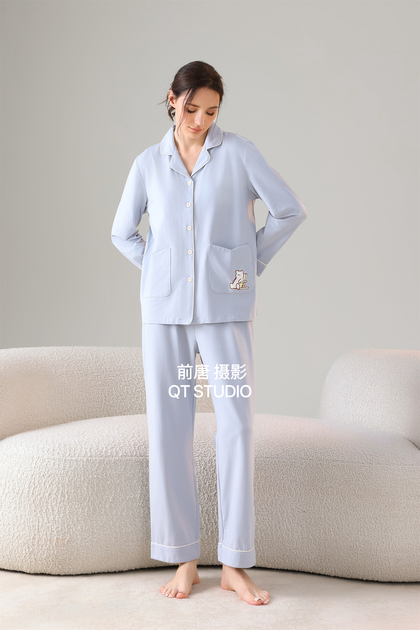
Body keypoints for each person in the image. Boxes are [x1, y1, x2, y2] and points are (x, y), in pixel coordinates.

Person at [111, 60, 307, 605]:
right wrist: (161, 271)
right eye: (192, 108)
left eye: (212, 111)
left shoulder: (239, 153)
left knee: (236, 427)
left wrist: (246, 266)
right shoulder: (148, 164)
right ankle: (184, 560)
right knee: (169, 430)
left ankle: (235, 565)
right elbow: (123, 232)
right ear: (172, 100)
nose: (200, 121)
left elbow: (289, 211)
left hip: (226, 310)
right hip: (165, 314)